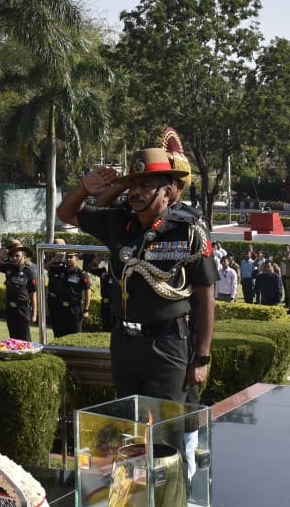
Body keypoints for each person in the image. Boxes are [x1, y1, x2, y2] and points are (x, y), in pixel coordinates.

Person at [55, 145, 216, 404]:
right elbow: (66, 213)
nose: (137, 192)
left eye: (146, 185)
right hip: (124, 342)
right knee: (130, 424)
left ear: (166, 191)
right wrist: (85, 188)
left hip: (167, 342)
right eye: (134, 185)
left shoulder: (187, 231)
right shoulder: (119, 223)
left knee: (166, 425)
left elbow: (205, 297)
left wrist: (201, 358)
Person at [0, 239, 38, 341]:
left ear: (24, 256)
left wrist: (34, 314)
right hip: (10, 307)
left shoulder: (29, 271)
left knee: (25, 338)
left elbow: (33, 294)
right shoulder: (8, 267)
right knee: (13, 338)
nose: (14, 258)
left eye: (17, 256)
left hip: (23, 308)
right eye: (12, 256)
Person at [46, 250, 91, 337]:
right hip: (60, 308)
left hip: (74, 308)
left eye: (71, 257)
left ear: (76, 258)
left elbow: (87, 291)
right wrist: (54, 259)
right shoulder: (60, 269)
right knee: (60, 334)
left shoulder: (81, 273)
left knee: (75, 335)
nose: (68, 259)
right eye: (67, 257)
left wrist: (86, 309)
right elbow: (46, 267)